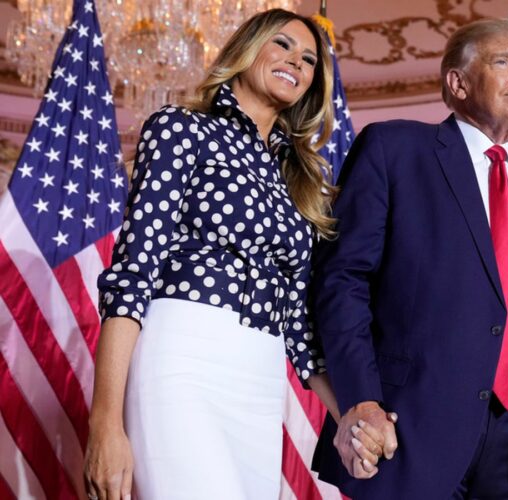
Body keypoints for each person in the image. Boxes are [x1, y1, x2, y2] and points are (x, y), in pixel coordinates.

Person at [311, 18, 508, 500]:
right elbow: (341, 280)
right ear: (458, 82)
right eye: (503, 62)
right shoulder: (394, 149)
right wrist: (360, 400)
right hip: (405, 431)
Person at [83, 9, 376, 499]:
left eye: (308, 59)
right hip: (182, 358)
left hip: (260, 379)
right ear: (246, 48)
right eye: (282, 45)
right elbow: (132, 275)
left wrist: (348, 414)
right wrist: (104, 422)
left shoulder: (299, 180)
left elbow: (300, 328)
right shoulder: (180, 129)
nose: (297, 62)